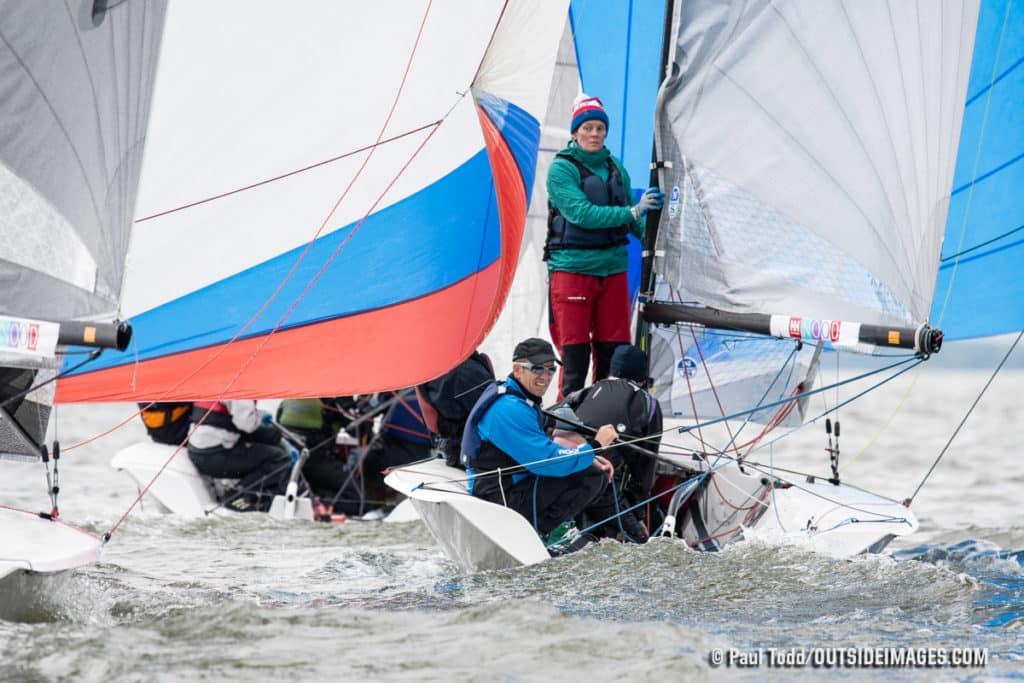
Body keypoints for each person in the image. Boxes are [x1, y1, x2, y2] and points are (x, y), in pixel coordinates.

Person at [545, 93, 664, 398]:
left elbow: (630, 222)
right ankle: (565, 425)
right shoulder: (561, 170)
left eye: (600, 128)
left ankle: (604, 419)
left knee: (614, 353)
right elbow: (581, 214)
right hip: (573, 270)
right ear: (575, 132)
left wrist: (653, 229)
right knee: (576, 357)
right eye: (588, 128)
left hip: (612, 269)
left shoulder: (615, 168)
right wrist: (633, 211)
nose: (595, 134)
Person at [461, 337, 618, 543]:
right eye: (537, 369)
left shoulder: (518, 397)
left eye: (551, 370)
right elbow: (548, 462)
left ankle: (553, 528)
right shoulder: (508, 409)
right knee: (590, 475)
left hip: (508, 487)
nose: (546, 376)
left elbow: (541, 445)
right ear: (517, 370)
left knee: (590, 469)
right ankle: (543, 534)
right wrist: (594, 447)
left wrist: (588, 456)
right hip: (498, 499)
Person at [566, 344, 663, 541]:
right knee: (641, 543)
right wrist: (638, 513)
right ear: (643, 378)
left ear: (613, 369)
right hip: (603, 487)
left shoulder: (585, 392)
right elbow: (645, 468)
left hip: (565, 479)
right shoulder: (649, 403)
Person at [187, 400, 292, 512]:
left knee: (271, 440)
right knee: (280, 458)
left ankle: (247, 493)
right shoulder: (241, 390)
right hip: (213, 456)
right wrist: (260, 418)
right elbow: (247, 425)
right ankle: (237, 496)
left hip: (196, 451)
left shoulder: (218, 383)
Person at [416, 350, 495, 468]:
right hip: (476, 452)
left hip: (453, 448)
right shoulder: (462, 370)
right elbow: (495, 413)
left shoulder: (434, 366)